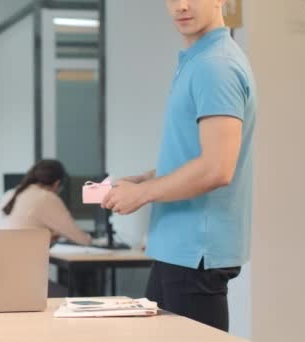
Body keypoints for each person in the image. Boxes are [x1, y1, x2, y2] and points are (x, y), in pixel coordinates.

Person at [101, 0, 256, 332]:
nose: (181, 6)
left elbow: (217, 168)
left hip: (195, 253)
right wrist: (146, 179)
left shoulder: (215, 66)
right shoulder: (198, 60)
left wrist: (142, 194)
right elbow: (196, 156)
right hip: (179, 249)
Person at [0, 159, 91, 246]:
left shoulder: (9, 194)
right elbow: (82, 239)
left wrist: (46, 236)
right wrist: (91, 240)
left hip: (3, 258)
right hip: (24, 260)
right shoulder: (46, 197)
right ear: (57, 184)